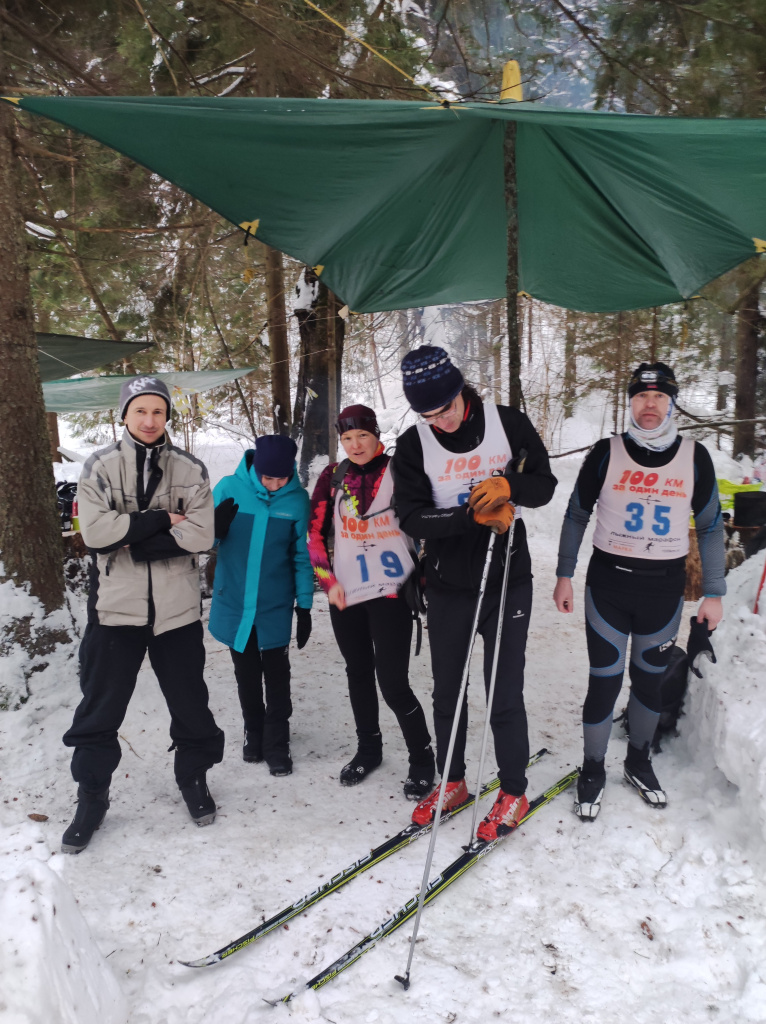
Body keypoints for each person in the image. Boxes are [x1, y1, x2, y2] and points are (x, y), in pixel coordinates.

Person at [392, 347, 557, 840]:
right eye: (426, 414)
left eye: (444, 408)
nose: (438, 422)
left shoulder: (508, 423)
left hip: (508, 579)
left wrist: (509, 487)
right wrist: (469, 515)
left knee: (503, 690)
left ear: (461, 390)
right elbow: (412, 516)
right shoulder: (413, 444)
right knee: (448, 692)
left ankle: (513, 789)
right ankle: (453, 780)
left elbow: (544, 484)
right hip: (447, 584)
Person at [553, 362, 726, 820]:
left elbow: (710, 527)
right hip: (609, 585)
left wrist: (715, 591)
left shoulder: (695, 456)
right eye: (641, 396)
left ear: (671, 403)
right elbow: (575, 514)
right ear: (631, 401)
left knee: (649, 681)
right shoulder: (606, 452)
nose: (650, 405)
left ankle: (638, 761)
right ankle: (592, 768)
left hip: (663, 590)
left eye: (659, 397)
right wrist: (564, 573)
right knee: (604, 678)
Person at [62, 377, 224, 854]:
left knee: (191, 706)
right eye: (140, 412)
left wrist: (128, 536)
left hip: (176, 614)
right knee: (99, 710)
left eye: (158, 411)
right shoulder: (99, 467)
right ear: (125, 415)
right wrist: (159, 520)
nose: (150, 420)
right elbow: (93, 533)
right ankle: (92, 796)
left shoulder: (189, 468)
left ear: (167, 414)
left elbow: (201, 534)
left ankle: (193, 776)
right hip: (115, 612)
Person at [308, 404, 434, 797]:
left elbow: (429, 526)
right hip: (346, 592)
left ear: (376, 435)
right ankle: (369, 749)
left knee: (393, 681)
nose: (355, 445)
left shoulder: (400, 469)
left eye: (362, 435)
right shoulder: (333, 476)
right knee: (357, 672)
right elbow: (313, 532)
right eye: (346, 438)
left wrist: (423, 578)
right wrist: (327, 580)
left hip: (391, 591)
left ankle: (421, 757)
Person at [208, 434, 313, 777]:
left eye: (282, 478)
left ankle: (277, 742)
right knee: (247, 676)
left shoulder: (296, 500)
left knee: (278, 677)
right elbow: (200, 538)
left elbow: (301, 557)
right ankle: (254, 732)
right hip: (235, 602)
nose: (275, 484)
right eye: (268, 478)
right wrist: (213, 530)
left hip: (273, 607)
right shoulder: (228, 488)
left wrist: (305, 606)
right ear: (255, 469)